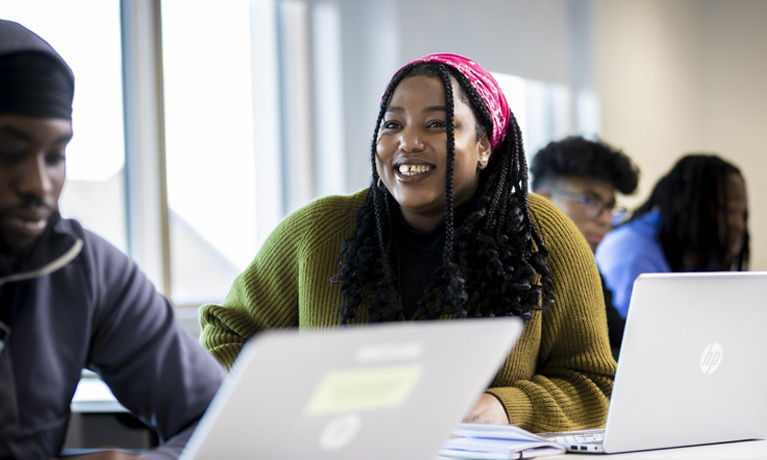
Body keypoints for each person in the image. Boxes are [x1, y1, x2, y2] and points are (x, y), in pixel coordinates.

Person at [200, 53, 615, 432]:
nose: (408, 141)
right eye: (392, 124)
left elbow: (595, 384)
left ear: (485, 146)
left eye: (437, 124)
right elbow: (224, 337)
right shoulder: (317, 231)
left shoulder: (541, 233)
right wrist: (294, 406)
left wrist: (506, 407)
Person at [0, 20, 225, 459]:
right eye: (9, 153)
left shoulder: (87, 270)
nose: (39, 185)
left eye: (55, 155)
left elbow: (215, 421)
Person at [596, 154, 749, 318]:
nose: (739, 225)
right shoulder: (632, 252)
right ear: (685, 205)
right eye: (729, 211)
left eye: (743, 213)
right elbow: (635, 337)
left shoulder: (695, 248)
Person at [530, 135, 639, 359]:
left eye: (610, 206)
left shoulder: (587, 266)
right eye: (591, 201)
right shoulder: (523, 271)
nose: (606, 219)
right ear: (545, 201)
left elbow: (619, 336)